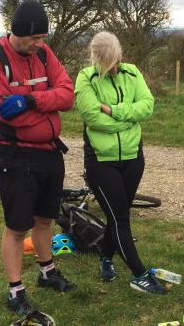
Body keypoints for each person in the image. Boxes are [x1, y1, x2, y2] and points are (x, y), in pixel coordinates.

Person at [0, 0, 76, 316]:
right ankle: (15, 291)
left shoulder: (44, 54)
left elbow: (68, 95)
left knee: (45, 219)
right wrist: (46, 107)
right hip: (15, 156)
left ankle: (47, 272)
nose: (40, 44)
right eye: (35, 38)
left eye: (43, 38)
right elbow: (7, 116)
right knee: (17, 227)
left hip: (49, 152)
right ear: (18, 33)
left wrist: (31, 100)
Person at [74, 31, 164, 293]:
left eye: (116, 60)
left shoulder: (133, 72)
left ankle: (105, 259)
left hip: (134, 158)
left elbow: (147, 106)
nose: (113, 67)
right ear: (96, 59)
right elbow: (93, 118)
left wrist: (114, 111)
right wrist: (129, 119)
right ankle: (139, 274)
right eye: (107, 62)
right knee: (121, 219)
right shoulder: (85, 79)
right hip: (102, 162)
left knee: (117, 216)